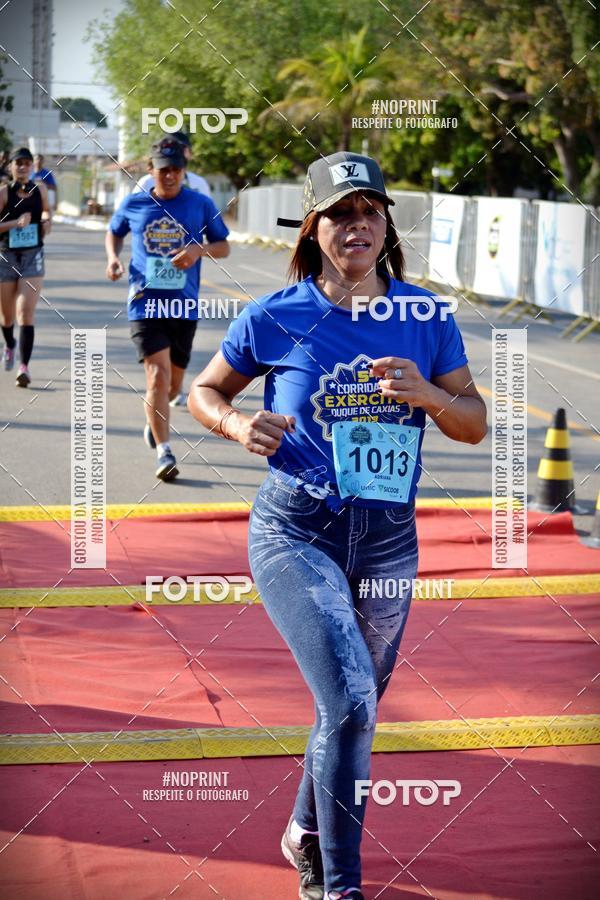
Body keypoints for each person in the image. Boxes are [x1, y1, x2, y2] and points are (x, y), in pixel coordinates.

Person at [187, 152, 487, 900]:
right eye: (341, 213)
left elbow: (475, 424)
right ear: (314, 226)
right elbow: (205, 389)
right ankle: (336, 885)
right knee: (351, 701)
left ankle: (305, 829)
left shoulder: (425, 315)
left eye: (370, 212)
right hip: (298, 531)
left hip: (389, 538)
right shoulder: (277, 313)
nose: (358, 225)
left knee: (353, 706)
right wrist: (233, 424)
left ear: (385, 227)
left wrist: (430, 397)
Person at [105, 138, 230, 481]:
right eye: (164, 170)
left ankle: (155, 419)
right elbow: (113, 232)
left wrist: (198, 251)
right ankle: (165, 451)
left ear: (183, 171)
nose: (170, 175)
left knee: (173, 386)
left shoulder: (200, 204)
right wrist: (113, 258)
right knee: (157, 377)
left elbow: (224, 246)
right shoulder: (135, 204)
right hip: (143, 302)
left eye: (176, 169)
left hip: (183, 306)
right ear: (152, 170)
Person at [134, 131, 212, 408]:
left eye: (183, 150)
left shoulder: (200, 186)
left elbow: (208, 230)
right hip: (148, 285)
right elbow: (136, 221)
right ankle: (158, 409)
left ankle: (167, 394)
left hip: (185, 279)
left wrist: (194, 248)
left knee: (174, 378)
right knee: (157, 374)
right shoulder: (146, 183)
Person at [0, 147, 51, 386]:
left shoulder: (39, 189)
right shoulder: (3, 193)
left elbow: (47, 213)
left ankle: (24, 367)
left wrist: (46, 221)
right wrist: (14, 224)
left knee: (25, 313)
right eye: (18, 163)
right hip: (6, 257)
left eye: (26, 163)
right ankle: (9, 344)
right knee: (7, 316)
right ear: (11, 167)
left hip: (32, 256)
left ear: (32, 167)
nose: (22, 166)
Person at [133, 131, 211, 199]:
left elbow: (208, 214)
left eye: (182, 148)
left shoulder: (199, 183)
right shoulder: (147, 182)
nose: (177, 152)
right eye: (173, 148)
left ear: (190, 153)